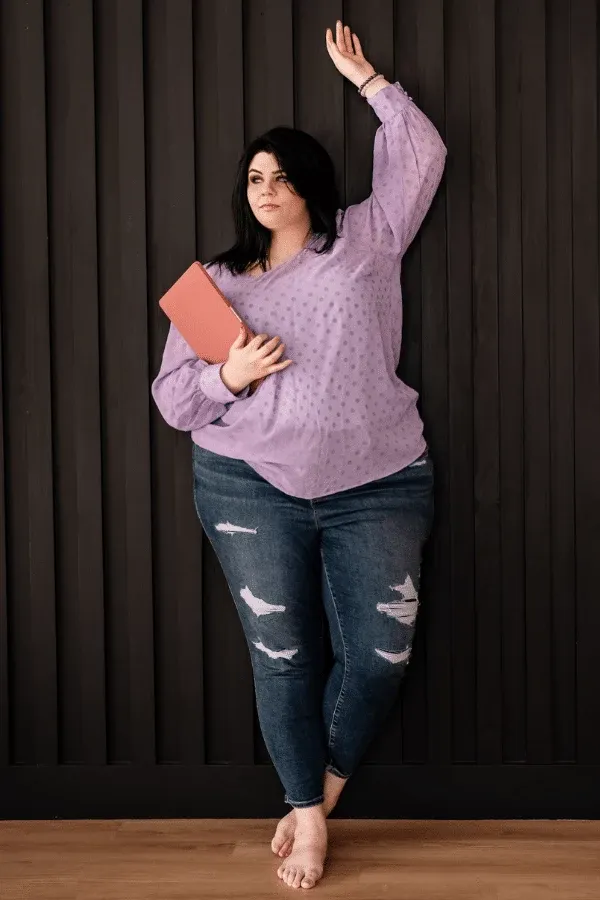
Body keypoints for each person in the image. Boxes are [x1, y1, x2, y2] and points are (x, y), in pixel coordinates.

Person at [151, 19, 447, 892]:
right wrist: (229, 377)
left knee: (381, 655)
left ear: (310, 183)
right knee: (281, 655)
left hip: (381, 481)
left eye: (280, 176)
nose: (266, 189)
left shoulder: (368, 237)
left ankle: (317, 788)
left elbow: (422, 156)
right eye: (254, 178)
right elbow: (173, 401)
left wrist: (370, 82)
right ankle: (308, 819)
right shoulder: (215, 283)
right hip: (247, 485)